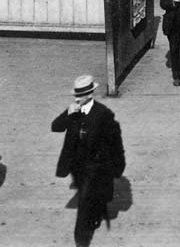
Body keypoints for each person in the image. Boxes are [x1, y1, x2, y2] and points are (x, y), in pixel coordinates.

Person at [51, 75, 126, 247]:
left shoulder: (103, 114)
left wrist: (118, 165)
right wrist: (68, 114)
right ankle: (97, 212)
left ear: (90, 94)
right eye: (76, 95)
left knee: (84, 205)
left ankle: (81, 242)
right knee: (92, 197)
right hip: (77, 166)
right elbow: (55, 127)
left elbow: (115, 141)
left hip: (96, 166)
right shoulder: (73, 111)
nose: (77, 99)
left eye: (81, 95)